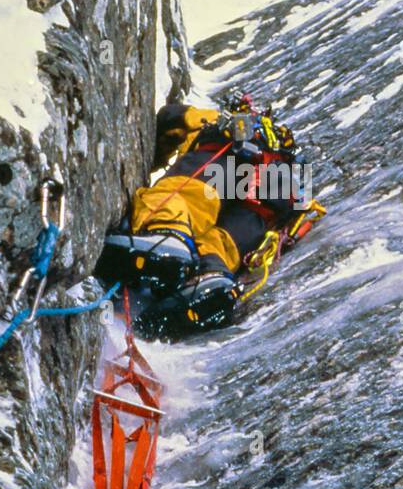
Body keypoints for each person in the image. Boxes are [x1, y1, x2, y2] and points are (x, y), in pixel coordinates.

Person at [98, 90, 314, 328]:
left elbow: (170, 117)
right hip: (273, 196)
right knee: (221, 242)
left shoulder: (214, 119)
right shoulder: (281, 157)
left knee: (182, 197)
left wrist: (155, 160)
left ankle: (168, 234)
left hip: (227, 162)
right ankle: (209, 274)